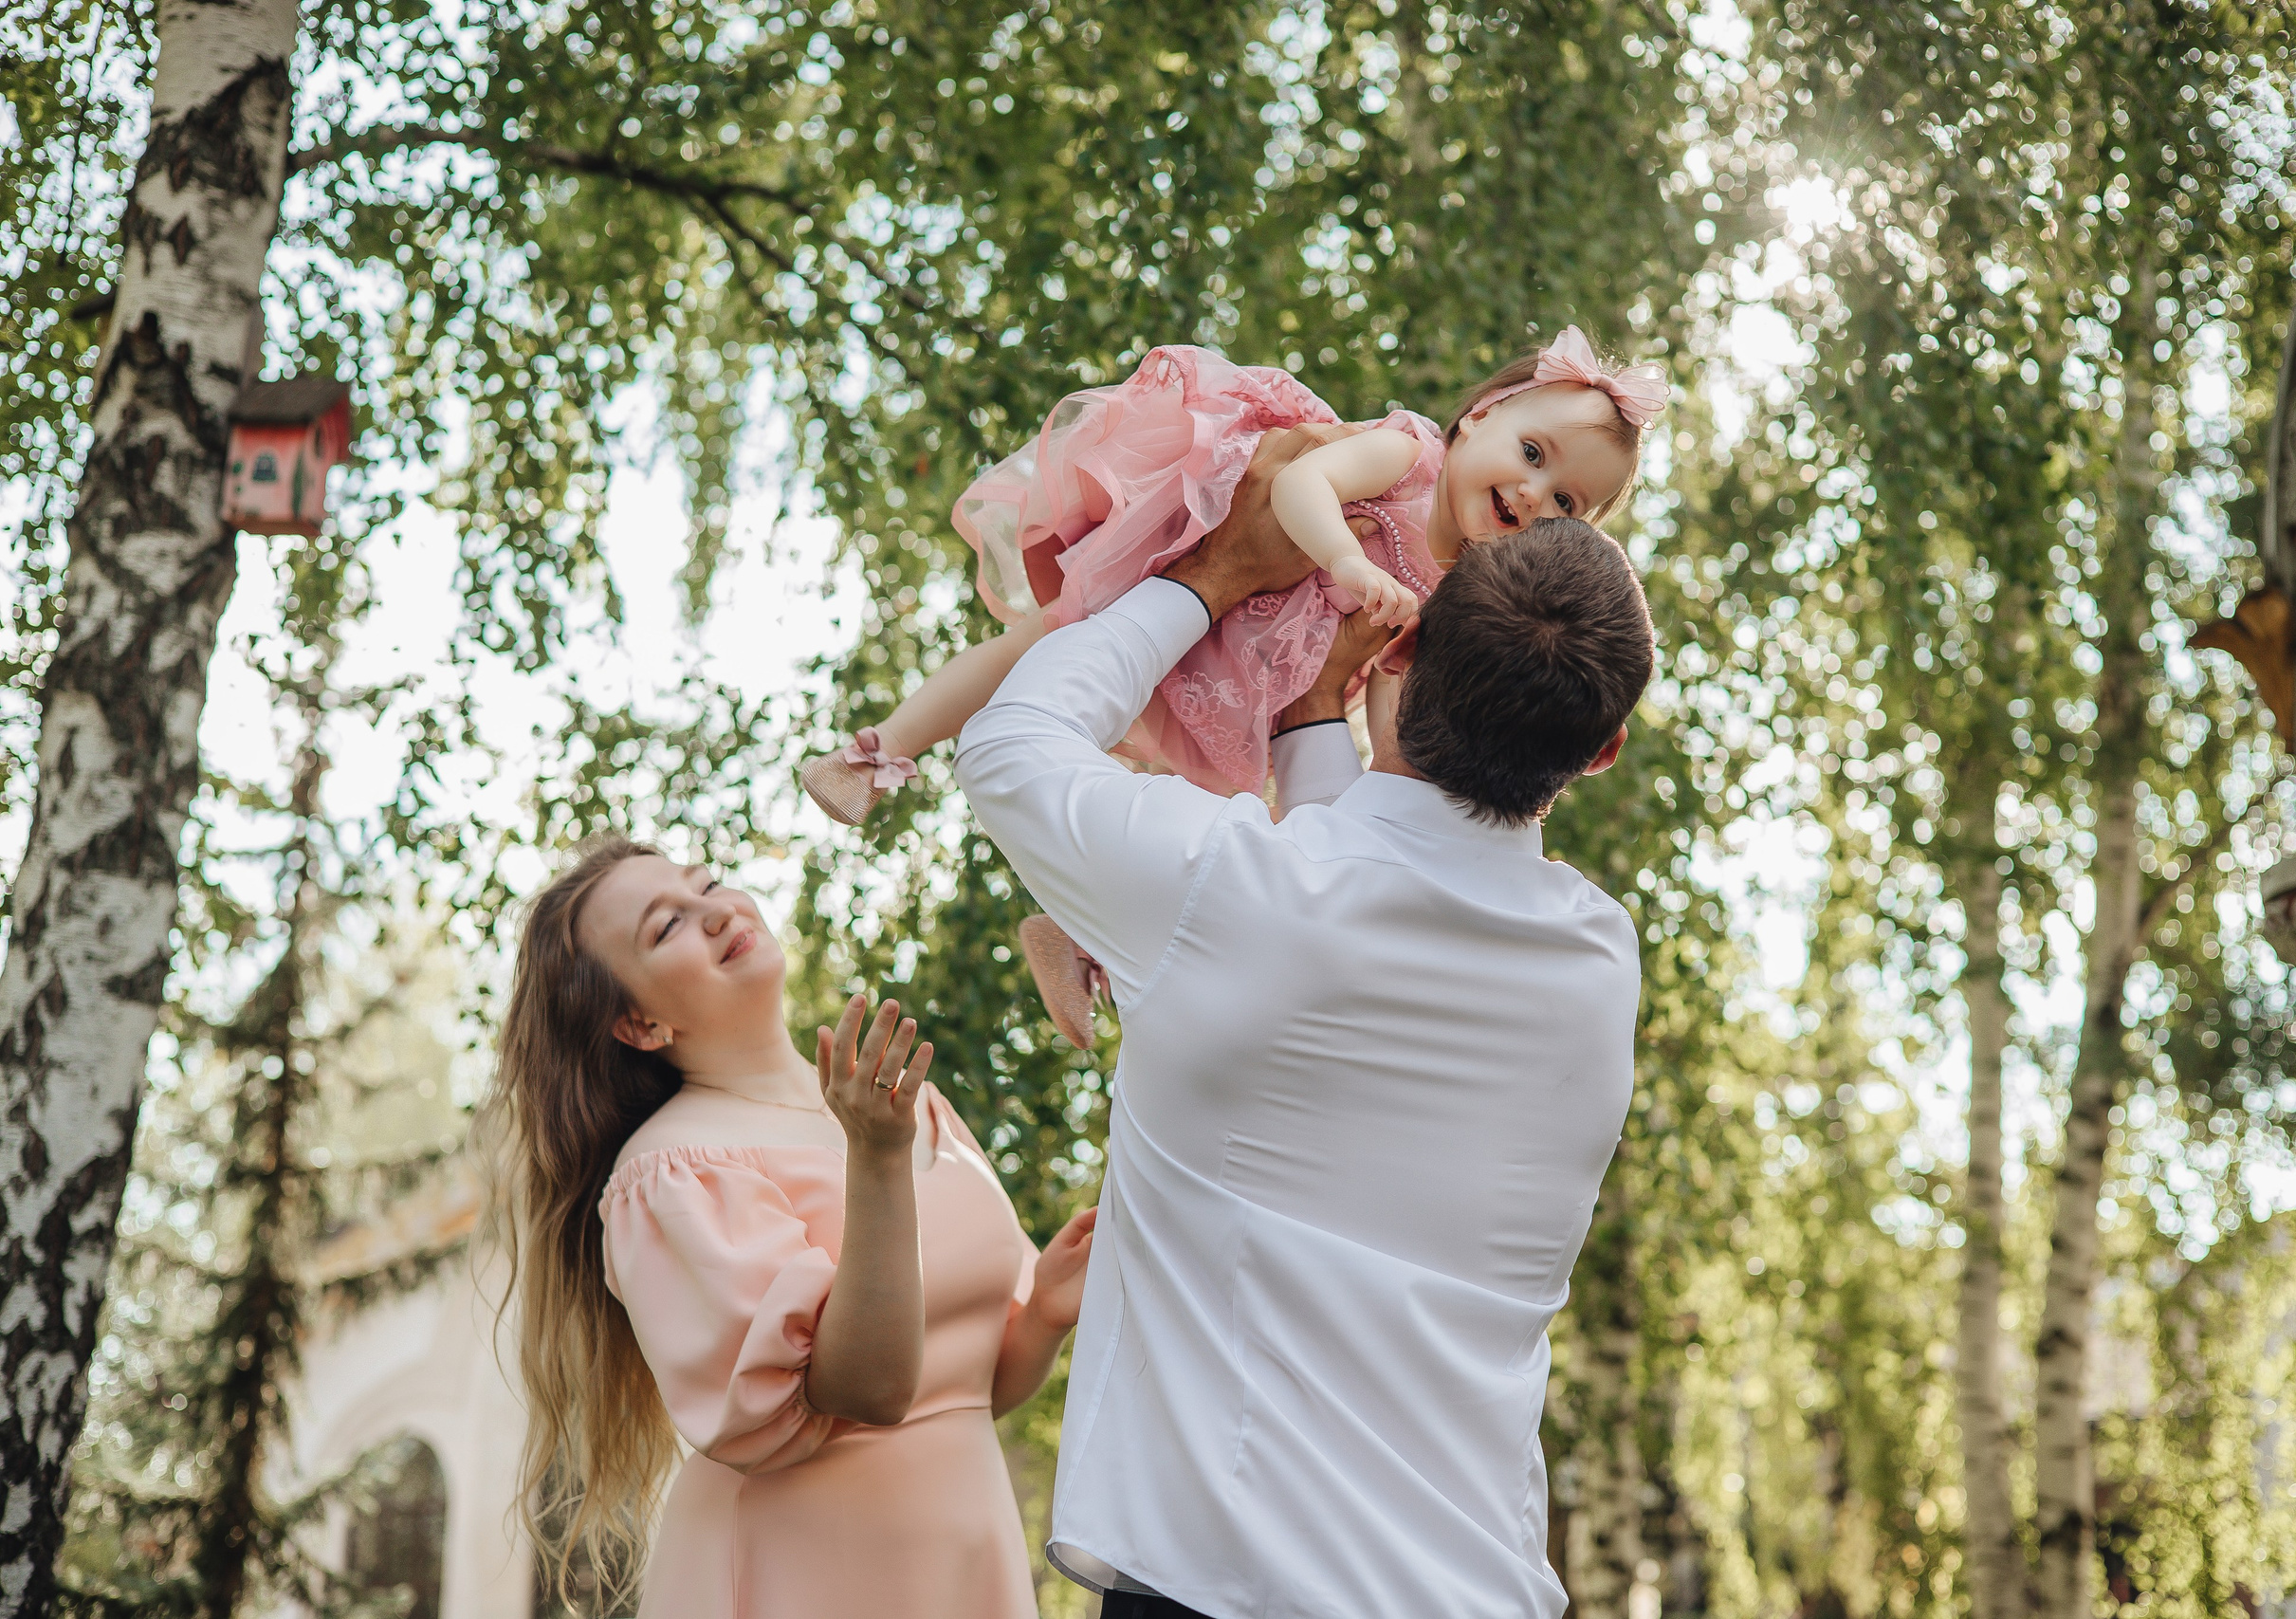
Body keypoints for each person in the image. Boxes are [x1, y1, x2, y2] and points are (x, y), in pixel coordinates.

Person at [955, 506, 1658, 1619]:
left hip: (1224, 1587)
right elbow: (1365, 884)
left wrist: (1211, 576)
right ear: (1603, 748)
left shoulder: (1230, 894)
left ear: (1405, 649)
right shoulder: (1595, 959)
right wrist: (1317, 719)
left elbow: (1005, 740)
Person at [803, 326, 1666, 1042]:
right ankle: (880, 750)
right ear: (1478, 419)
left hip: (1255, 674)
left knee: (1214, 808)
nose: (1531, 491)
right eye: (1529, 452)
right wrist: (1339, 559)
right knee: (1046, 647)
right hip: (1202, 559)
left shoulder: (1467, 598)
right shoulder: (1409, 458)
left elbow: (1392, 700)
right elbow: (1300, 482)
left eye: (1566, 503)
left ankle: (1076, 931)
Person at [484, 837, 1096, 1619]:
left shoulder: (904, 1102)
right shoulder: (672, 1174)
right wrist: (875, 1161)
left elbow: (967, 1393)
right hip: (801, 1575)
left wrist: (1042, 1310)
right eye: (667, 925)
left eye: (706, 882)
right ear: (639, 1023)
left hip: (964, 1561)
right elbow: (870, 1390)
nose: (715, 909)